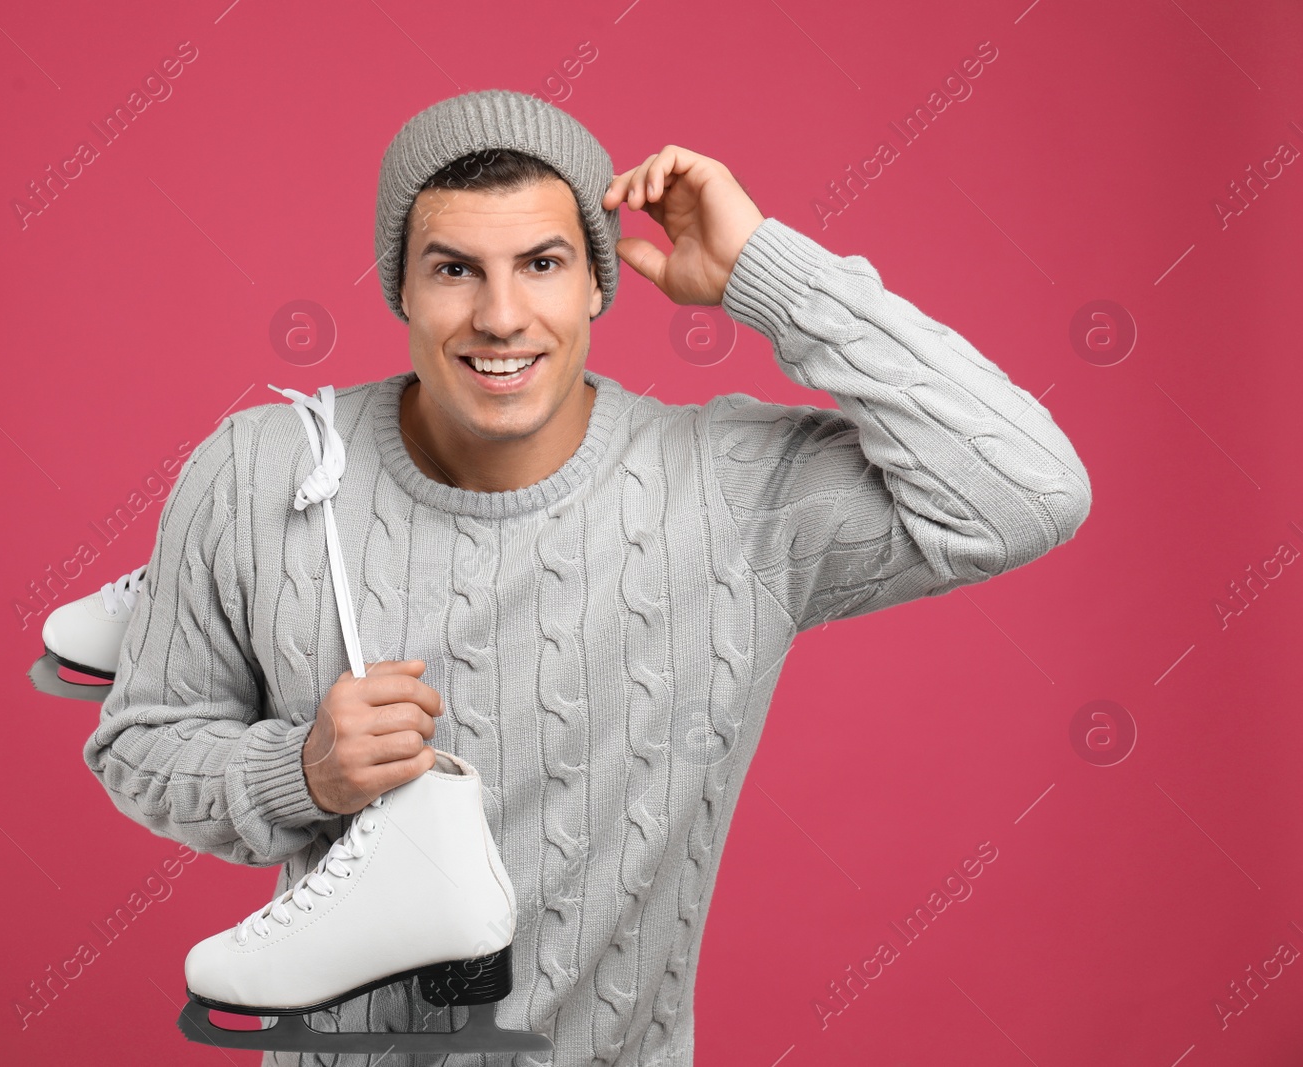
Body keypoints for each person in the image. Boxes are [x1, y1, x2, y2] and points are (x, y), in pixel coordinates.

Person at [81, 88, 1092, 1067]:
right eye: (452, 269)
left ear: (598, 282)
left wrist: (765, 271)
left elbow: (1028, 490)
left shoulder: (726, 492)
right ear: (398, 285)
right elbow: (143, 743)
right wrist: (298, 772)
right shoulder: (262, 465)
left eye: (543, 262)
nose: (501, 313)